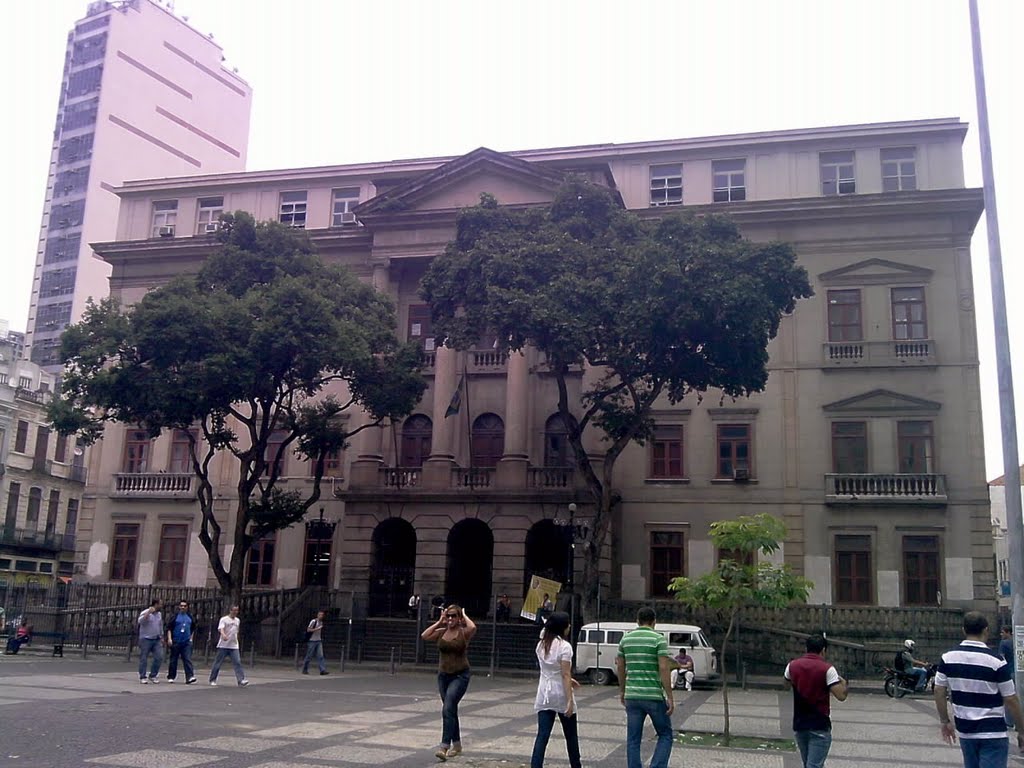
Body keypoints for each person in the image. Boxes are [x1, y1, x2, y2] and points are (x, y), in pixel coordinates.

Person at [934, 611, 1024, 768]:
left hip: (966, 731)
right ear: (986, 630)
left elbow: (939, 690)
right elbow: (1011, 698)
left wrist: (945, 721)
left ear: (964, 630)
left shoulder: (947, 658)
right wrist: (1022, 730)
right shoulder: (996, 661)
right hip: (993, 732)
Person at [616, 606, 675, 768]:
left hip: (632, 695)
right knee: (665, 734)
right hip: (653, 695)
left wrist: (622, 690)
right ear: (654, 622)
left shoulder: (625, 639)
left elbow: (620, 667)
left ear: (637, 621)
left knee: (633, 739)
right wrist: (669, 695)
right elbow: (664, 668)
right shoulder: (658, 639)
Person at [421, 603, 477, 761]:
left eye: (454, 616)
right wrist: (440, 621)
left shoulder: (463, 632)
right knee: (450, 709)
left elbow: (472, 627)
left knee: (448, 707)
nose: (451, 618)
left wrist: (464, 615)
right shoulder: (441, 632)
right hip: (443, 676)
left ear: (459, 618)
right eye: (449, 615)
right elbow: (424, 636)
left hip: (460, 675)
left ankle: (444, 746)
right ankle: (457, 745)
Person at [784, 634, 848, 768]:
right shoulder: (827, 669)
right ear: (823, 650)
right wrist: (844, 684)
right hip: (819, 725)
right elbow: (841, 696)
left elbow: (786, 685)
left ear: (806, 648)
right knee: (814, 765)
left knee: (810, 764)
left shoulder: (792, 666)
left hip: (800, 724)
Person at [531, 611, 581, 768]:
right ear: (562, 627)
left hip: (545, 691)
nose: (569, 626)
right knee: (571, 735)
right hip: (560, 692)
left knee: (542, 735)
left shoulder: (541, 644)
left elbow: (550, 668)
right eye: (567, 623)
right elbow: (565, 674)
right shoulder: (564, 647)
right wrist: (569, 701)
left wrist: (566, 678)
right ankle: (576, 765)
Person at [209, 605, 249, 687]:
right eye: (233, 610)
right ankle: (212, 679)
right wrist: (223, 635)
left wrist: (236, 639)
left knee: (237, 662)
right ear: (230, 611)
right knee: (218, 663)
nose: (235, 612)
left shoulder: (237, 620)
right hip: (223, 645)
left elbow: (236, 631)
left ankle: (241, 679)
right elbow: (221, 628)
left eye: (236, 611)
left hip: (233, 645)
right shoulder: (224, 619)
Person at [164, 600, 197, 684]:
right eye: (181, 606)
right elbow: (169, 628)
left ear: (187, 607)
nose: (183, 607)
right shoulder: (175, 617)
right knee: (173, 659)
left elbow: (193, 628)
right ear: (179, 607)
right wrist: (169, 639)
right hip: (176, 640)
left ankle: (189, 676)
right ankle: (171, 676)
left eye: (185, 606)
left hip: (186, 642)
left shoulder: (190, 617)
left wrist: (191, 639)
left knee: (187, 659)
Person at [137, 598, 164, 684]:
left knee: (159, 657)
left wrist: (161, 635)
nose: (161, 606)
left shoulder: (159, 614)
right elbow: (140, 621)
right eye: (160, 604)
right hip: (146, 638)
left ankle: (153, 675)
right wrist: (148, 613)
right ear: (156, 604)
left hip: (156, 639)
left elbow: (160, 625)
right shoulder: (145, 612)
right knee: (144, 658)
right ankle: (142, 676)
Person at [302, 610, 328, 676]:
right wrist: (317, 629)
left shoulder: (321, 622)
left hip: (318, 640)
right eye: (320, 615)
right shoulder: (314, 621)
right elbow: (308, 629)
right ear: (317, 615)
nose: (321, 616)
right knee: (309, 655)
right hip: (312, 640)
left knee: (320, 656)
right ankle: (305, 669)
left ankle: (322, 670)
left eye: (322, 615)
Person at [1000, 625, 1015, 727]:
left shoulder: (1004, 643)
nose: (1001, 634)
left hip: (1009, 672)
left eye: (1002, 632)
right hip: (1018, 672)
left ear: (1007, 632)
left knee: (1008, 697)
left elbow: (1002, 658)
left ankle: (1009, 721)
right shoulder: (1017, 641)